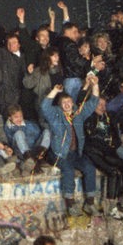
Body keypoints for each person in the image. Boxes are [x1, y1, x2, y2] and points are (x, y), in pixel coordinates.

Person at [42, 77, 99, 216]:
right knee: (68, 171)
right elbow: (44, 106)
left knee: (90, 168)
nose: (67, 104)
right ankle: (70, 204)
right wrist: (55, 91)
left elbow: (93, 103)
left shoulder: (78, 114)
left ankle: (90, 203)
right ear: (60, 105)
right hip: (60, 153)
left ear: (72, 102)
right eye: (64, 103)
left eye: (69, 102)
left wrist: (95, 85)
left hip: (76, 153)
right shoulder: (56, 116)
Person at [83, 97, 123, 219]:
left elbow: (118, 129)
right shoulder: (88, 118)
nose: (103, 107)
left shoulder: (108, 117)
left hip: (108, 151)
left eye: (104, 105)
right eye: (99, 104)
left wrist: (115, 146)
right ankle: (111, 207)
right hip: (95, 152)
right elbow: (93, 138)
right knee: (113, 172)